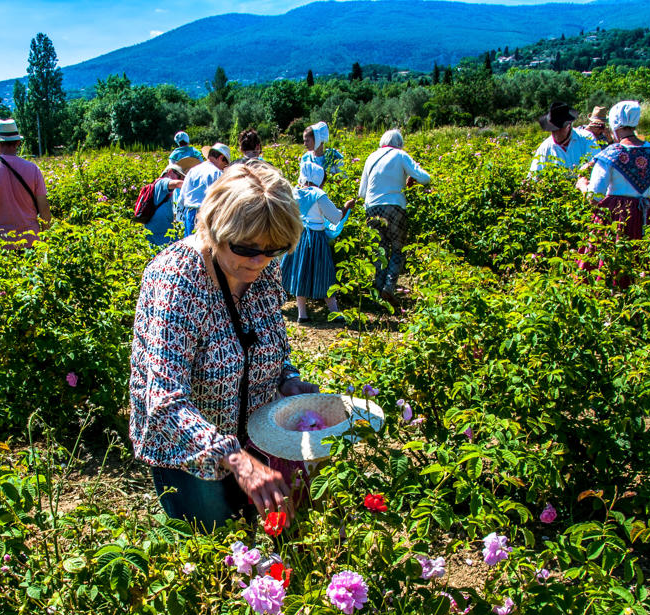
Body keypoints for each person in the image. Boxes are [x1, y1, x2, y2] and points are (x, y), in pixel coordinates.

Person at [130, 162, 318, 530]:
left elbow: (274, 348)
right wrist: (236, 460)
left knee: (258, 539)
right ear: (217, 227)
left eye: (274, 250)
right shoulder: (177, 280)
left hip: (255, 440)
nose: (260, 261)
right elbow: (163, 399)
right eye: (248, 248)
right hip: (188, 455)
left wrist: (287, 380)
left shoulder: (263, 271)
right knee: (215, 547)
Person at [584, 101, 650, 240]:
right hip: (645, 215)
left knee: (613, 256)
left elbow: (594, 196)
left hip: (617, 215)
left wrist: (582, 186)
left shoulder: (610, 154)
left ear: (615, 124)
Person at [357, 129, 431, 300]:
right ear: (399, 143)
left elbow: (362, 192)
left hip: (372, 208)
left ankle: (378, 291)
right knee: (398, 248)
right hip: (395, 206)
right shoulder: (400, 155)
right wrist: (410, 179)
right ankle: (389, 287)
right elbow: (425, 178)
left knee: (379, 250)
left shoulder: (371, 157)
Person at [281, 160, 355, 323]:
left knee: (300, 272)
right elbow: (335, 217)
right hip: (315, 238)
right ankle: (334, 312)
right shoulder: (318, 194)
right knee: (324, 273)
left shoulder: (294, 192)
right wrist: (346, 207)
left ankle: (302, 314)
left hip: (299, 236)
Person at [0, 119, 51, 247]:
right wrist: (45, 238)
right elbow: (44, 207)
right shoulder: (33, 169)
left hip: (0, 243)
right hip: (30, 241)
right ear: (18, 142)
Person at [177, 143, 232, 237]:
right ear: (220, 158)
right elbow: (221, 200)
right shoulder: (217, 173)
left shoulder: (193, 170)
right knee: (206, 248)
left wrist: (180, 218)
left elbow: (182, 197)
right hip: (206, 216)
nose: (224, 167)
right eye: (225, 163)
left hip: (189, 214)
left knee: (191, 247)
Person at [530, 102, 598, 176]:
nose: (556, 133)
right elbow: (533, 176)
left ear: (569, 125)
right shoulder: (545, 148)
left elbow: (597, 162)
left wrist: (589, 165)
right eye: (553, 129)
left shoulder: (586, 138)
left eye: (559, 129)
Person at [143, 164, 186, 247]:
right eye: (180, 176)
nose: (180, 179)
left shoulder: (156, 184)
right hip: (162, 233)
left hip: (153, 229)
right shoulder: (163, 181)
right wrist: (193, 185)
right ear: (170, 171)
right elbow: (176, 183)